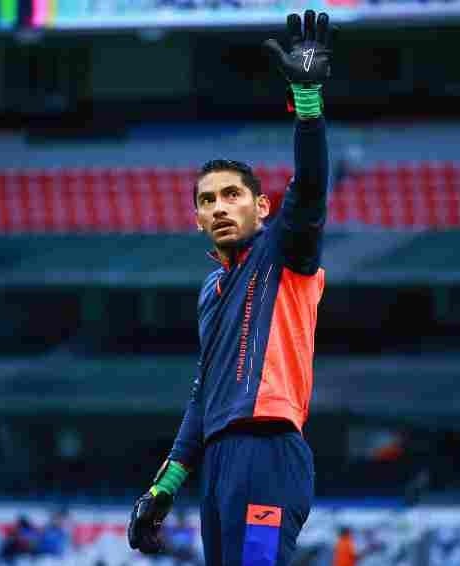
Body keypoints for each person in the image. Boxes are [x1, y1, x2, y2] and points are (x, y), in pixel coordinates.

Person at [128, 10, 336, 566]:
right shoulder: (210, 293)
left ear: (262, 206)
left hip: (268, 454)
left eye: (232, 195)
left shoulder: (285, 251)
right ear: (197, 219)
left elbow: (310, 189)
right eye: (207, 200)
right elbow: (203, 396)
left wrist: (307, 101)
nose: (219, 207)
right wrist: (165, 487)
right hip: (219, 465)